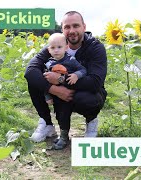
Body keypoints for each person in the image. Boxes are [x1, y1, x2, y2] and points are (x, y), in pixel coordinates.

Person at [24, 11, 107, 150]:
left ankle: (91, 121)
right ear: (62, 30)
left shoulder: (95, 47)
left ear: (84, 27)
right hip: (58, 93)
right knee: (35, 81)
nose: (72, 31)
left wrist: (61, 80)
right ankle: (47, 124)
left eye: (76, 26)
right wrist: (53, 89)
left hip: (86, 92)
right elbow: (30, 71)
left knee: (86, 99)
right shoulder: (55, 46)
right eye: (67, 27)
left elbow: (95, 82)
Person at [44, 33, 87, 105]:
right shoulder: (48, 64)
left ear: (66, 48)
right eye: (53, 48)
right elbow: (44, 82)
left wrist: (76, 75)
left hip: (70, 92)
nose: (56, 50)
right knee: (61, 115)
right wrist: (47, 96)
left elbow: (83, 70)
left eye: (59, 47)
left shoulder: (71, 60)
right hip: (56, 94)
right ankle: (44, 115)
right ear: (49, 50)